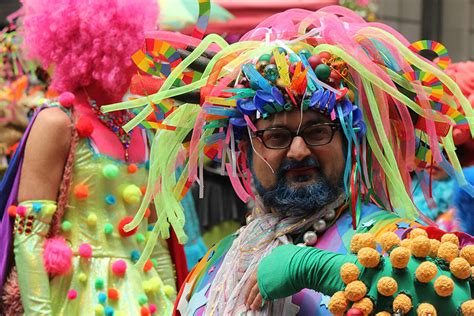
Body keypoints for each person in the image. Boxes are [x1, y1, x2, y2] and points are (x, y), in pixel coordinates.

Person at [101, 5, 474, 315]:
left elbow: (460, 300)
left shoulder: (393, 241)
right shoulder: (215, 265)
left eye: (317, 132)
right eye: (276, 136)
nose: (298, 151)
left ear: (350, 142)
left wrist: (325, 270)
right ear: (246, 151)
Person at [0, 0, 186, 314]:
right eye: (134, 47)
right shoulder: (57, 121)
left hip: (147, 298)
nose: (143, 58)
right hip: (78, 297)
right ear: (104, 48)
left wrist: (174, 305)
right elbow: (29, 241)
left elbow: (156, 243)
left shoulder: (142, 129)